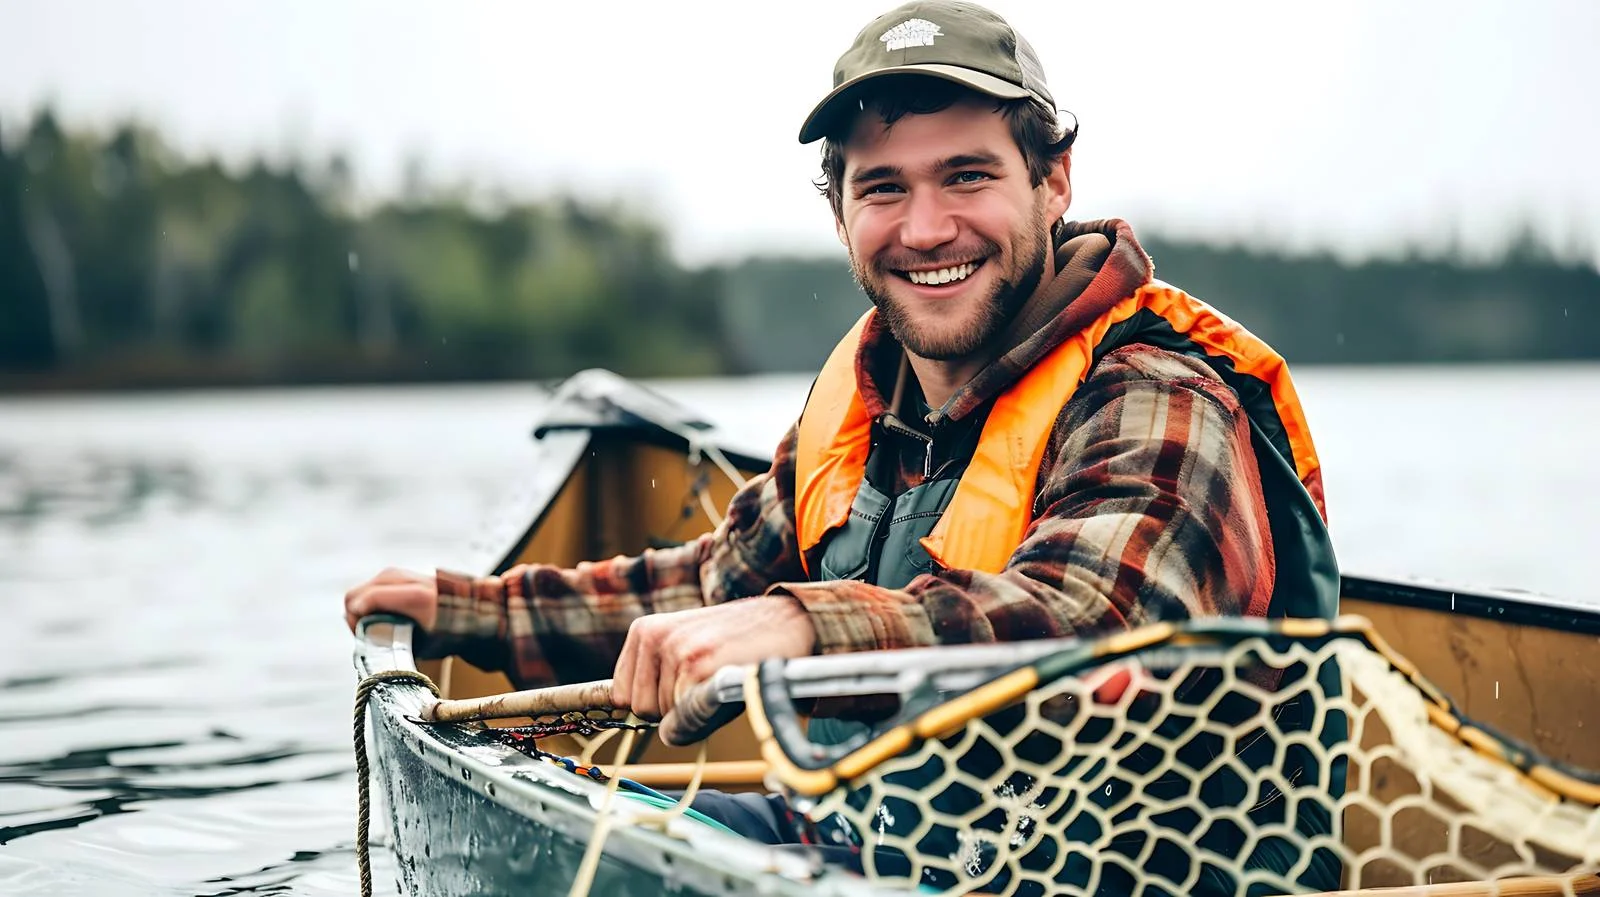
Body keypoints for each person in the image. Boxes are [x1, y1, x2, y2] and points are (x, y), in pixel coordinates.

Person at [346, 0, 1340, 888]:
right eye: (881, 189)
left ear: (1052, 182)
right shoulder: (875, 401)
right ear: (837, 214)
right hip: (883, 852)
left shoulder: (1156, 391)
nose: (925, 227)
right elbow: (710, 594)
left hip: (1124, 876)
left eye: (967, 176)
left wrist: (800, 627)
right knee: (594, 826)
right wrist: (469, 611)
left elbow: (1097, 619)